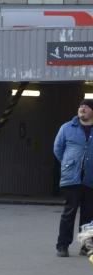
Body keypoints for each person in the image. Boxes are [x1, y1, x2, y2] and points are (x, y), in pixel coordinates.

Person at [53, 99, 93, 257]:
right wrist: (69, 164)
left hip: (91, 179)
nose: (82, 108)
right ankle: (62, 246)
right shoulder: (67, 128)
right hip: (72, 179)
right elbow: (58, 149)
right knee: (69, 213)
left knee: (89, 215)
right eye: (80, 106)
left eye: (87, 106)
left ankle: (85, 247)